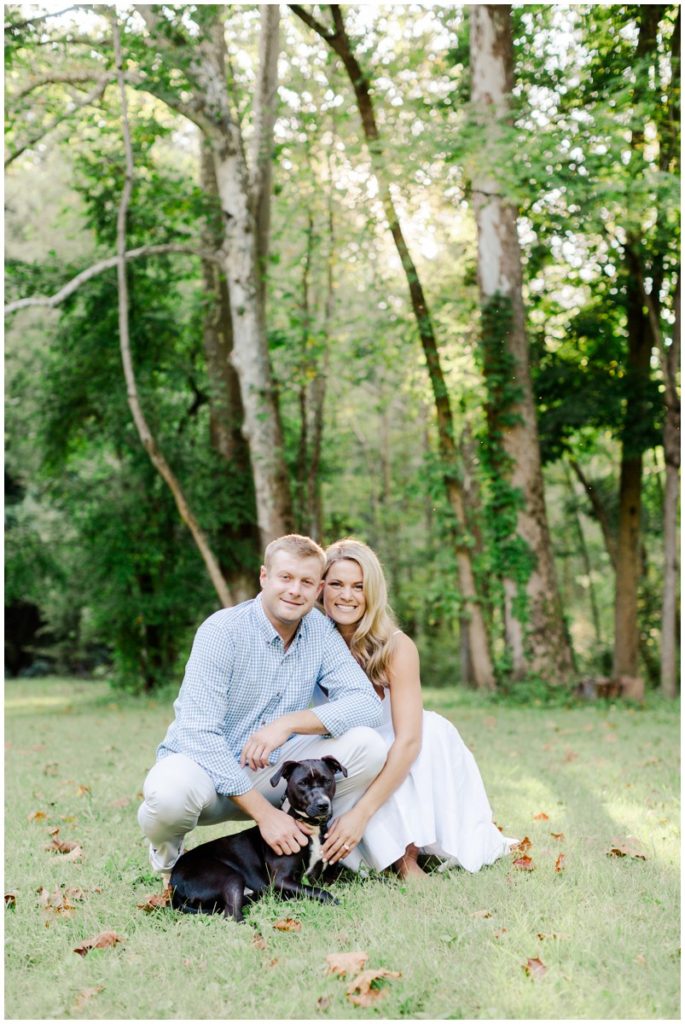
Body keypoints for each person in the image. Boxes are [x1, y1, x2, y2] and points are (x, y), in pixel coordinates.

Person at [137, 534, 386, 884]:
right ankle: (169, 866)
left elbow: (365, 703)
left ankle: (315, 851)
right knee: (167, 792)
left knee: (368, 746)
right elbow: (197, 731)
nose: (295, 590)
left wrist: (287, 724)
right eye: (285, 578)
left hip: (277, 775)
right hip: (207, 774)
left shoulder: (320, 631)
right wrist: (265, 815)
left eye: (307, 582)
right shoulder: (222, 631)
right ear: (264, 577)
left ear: (317, 591)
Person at [318, 539, 517, 879]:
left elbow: (409, 741)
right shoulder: (310, 639)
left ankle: (406, 857)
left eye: (358, 586)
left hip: (400, 753)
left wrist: (362, 813)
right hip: (345, 754)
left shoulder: (395, 647)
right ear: (321, 587)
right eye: (336, 584)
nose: (346, 595)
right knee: (363, 748)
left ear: (373, 592)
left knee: (429, 729)